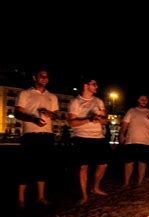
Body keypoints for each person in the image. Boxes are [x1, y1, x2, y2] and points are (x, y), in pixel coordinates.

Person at [14, 69, 59, 209]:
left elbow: (56, 115)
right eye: (41, 76)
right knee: (25, 166)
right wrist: (33, 119)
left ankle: (41, 197)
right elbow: (17, 113)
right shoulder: (25, 93)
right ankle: (20, 199)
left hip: (47, 135)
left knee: (43, 166)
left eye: (47, 76)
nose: (45, 78)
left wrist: (51, 114)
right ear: (34, 77)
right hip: (30, 135)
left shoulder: (52, 96)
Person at [68, 78, 111, 204]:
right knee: (83, 167)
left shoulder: (99, 101)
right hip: (81, 137)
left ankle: (95, 187)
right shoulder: (75, 102)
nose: (96, 86)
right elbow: (71, 122)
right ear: (85, 86)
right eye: (94, 84)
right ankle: (84, 195)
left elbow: (105, 120)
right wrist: (89, 119)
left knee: (103, 164)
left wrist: (100, 119)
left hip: (98, 137)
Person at [119, 95, 149, 188]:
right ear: (138, 100)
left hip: (146, 141)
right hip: (131, 140)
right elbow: (125, 124)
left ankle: (140, 182)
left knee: (142, 163)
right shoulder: (131, 111)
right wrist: (121, 134)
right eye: (142, 99)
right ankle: (126, 182)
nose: (144, 101)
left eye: (146, 99)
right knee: (129, 162)